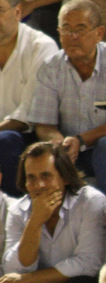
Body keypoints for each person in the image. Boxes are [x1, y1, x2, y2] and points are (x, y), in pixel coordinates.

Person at [27, 0, 106, 196]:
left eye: (80, 29)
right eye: (66, 29)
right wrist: (59, 143)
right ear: (58, 31)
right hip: (67, 149)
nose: (72, 36)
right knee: (39, 152)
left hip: (102, 147)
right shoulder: (50, 67)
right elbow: (44, 125)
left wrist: (81, 140)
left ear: (99, 33)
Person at [1, 142, 106, 283]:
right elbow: (14, 268)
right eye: (31, 178)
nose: (39, 186)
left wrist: (28, 279)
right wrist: (35, 222)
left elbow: (88, 263)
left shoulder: (90, 201)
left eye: (46, 176)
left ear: (65, 177)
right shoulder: (19, 210)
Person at [0, 0, 57, 197]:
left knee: (5, 140)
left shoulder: (41, 47)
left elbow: (27, 116)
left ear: (18, 12)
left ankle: (16, 215)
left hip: (31, 135)